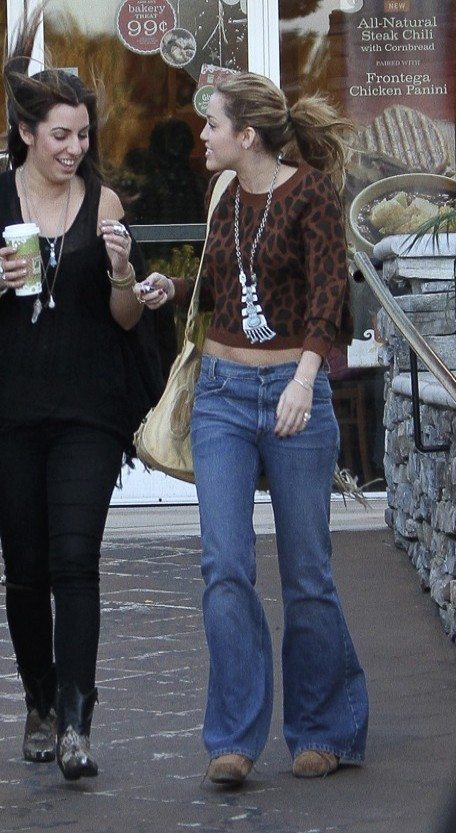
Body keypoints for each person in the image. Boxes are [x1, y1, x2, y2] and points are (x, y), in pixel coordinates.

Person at [135, 72, 369, 784]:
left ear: (248, 134)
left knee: (306, 571)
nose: (201, 136)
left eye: (212, 124)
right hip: (223, 394)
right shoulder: (222, 196)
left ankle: (324, 727)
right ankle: (232, 739)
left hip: (293, 388)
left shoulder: (311, 194)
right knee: (225, 566)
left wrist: (303, 379)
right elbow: (219, 289)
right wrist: (170, 289)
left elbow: (329, 295)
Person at [0, 10, 162, 781]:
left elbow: (126, 317)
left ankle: (75, 720)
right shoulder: (0, 200)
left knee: (75, 561)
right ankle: (37, 701)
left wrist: (125, 272)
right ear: (27, 132)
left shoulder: (105, 205)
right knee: (25, 569)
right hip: (10, 411)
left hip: (88, 412)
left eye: (83, 136)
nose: (74, 149)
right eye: (60, 135)